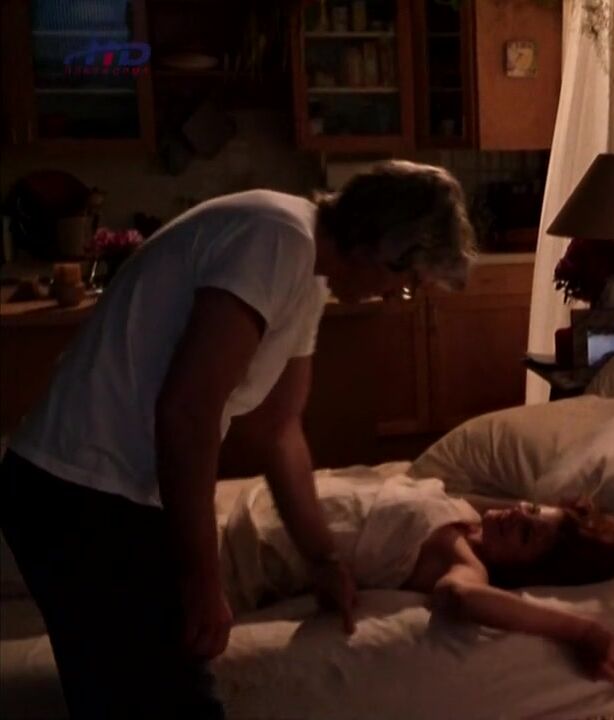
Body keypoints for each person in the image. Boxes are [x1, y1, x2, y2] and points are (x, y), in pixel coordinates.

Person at [0, 160, 476, 718]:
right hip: (77, 493)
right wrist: (203, 580)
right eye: (406, 283)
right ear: (381, 248)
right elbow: (188, 411)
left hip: (105, 493)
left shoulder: (308, 275)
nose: (394, 296)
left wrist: (324, 559)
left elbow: (278, 430)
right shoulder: (276, 239)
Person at [220, 473, 614, 683]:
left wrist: (581, 631)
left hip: (244, 557)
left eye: (526, 533)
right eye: (530, 509)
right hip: (258, 510)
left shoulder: (466, 562)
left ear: (524, 569)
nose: (517, 515)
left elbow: (460, 596)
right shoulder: (469, 517)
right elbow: (514, 508)